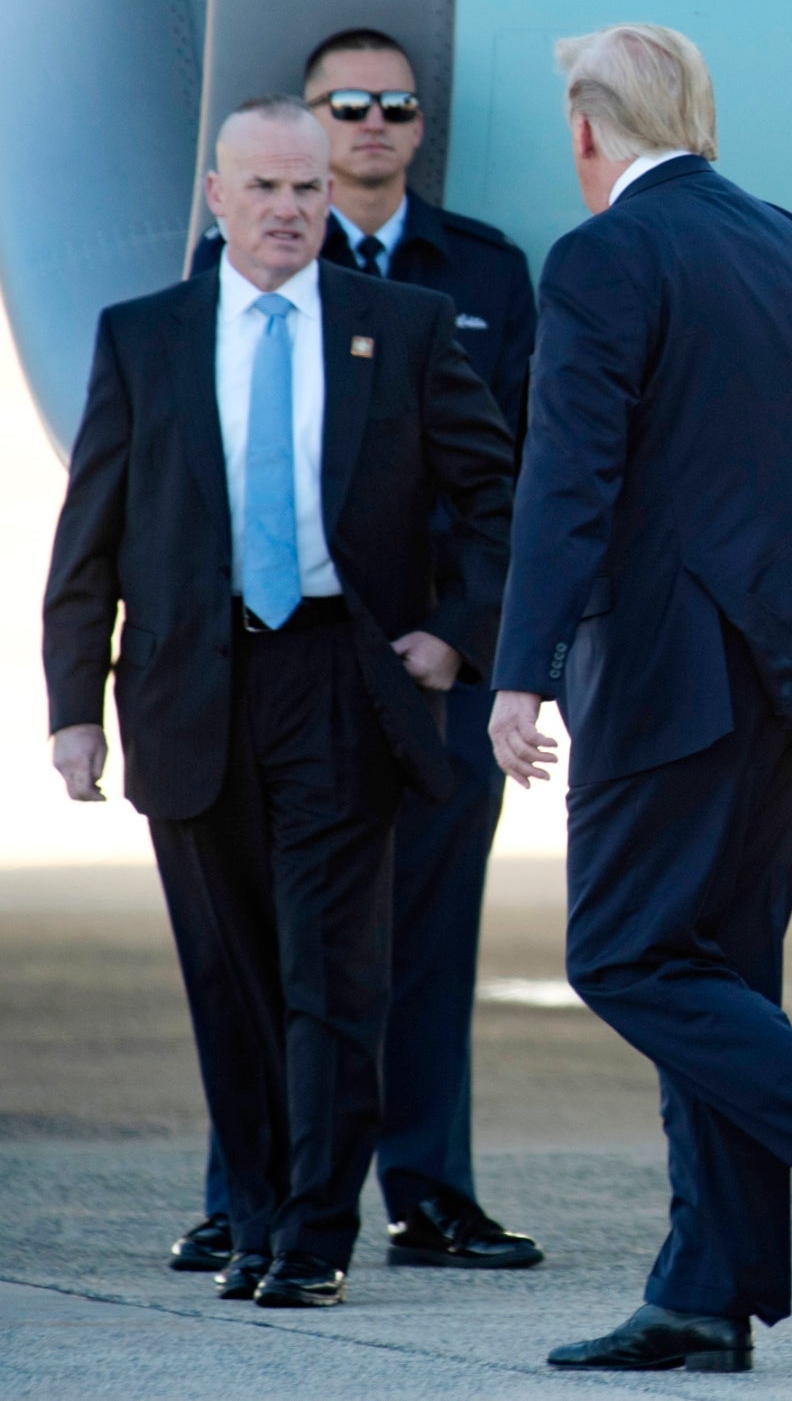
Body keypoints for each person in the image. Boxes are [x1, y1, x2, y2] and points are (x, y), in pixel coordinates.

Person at [490, 24, 792, 1373]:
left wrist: (519, 667)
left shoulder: (604, 255)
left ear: (590, 131)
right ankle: (707, 1288)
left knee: (626, 955)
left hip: (674, 667)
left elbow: (568, 473)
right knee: (719, 977)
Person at [43, 97, 514, 1308]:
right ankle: (253, 1213)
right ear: (217, 198)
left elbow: (501, 494)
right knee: (230, 974)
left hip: (340, 679)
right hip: (188, 686)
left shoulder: (397, 327)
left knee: (331, 974)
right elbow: (89, 530)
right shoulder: (145, 334)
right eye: (263, 189)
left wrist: (457, 637)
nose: (289, 210)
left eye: (306, 190)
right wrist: (72, 704)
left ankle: (313, 1231)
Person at [178, 27, 541, 1276]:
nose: (374, 122)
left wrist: (478, 639)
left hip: (432, 668)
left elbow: (522, 476)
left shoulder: (483, 274)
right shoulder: (218, 290)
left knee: (425, 938)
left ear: (418, 126)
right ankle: (251, 1197)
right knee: (263, 946)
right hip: (287, 661)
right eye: (349, 105)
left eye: (396, 104)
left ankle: (429, 1188)